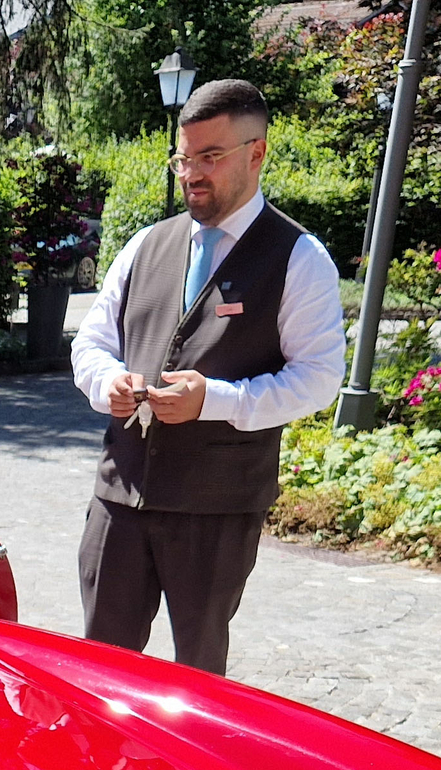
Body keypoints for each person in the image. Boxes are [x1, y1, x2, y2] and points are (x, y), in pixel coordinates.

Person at [70, 78, 346, 676]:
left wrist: (213, 400)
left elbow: (319, 378)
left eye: (210, 157)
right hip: (120, 493)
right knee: (98, 665)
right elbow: (91, 341)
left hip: (216, 504)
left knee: (196, 675)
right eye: (184, 157)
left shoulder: (299, 257)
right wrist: (107, 382)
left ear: (257, 152)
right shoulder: (147, 244)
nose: (192, 173)